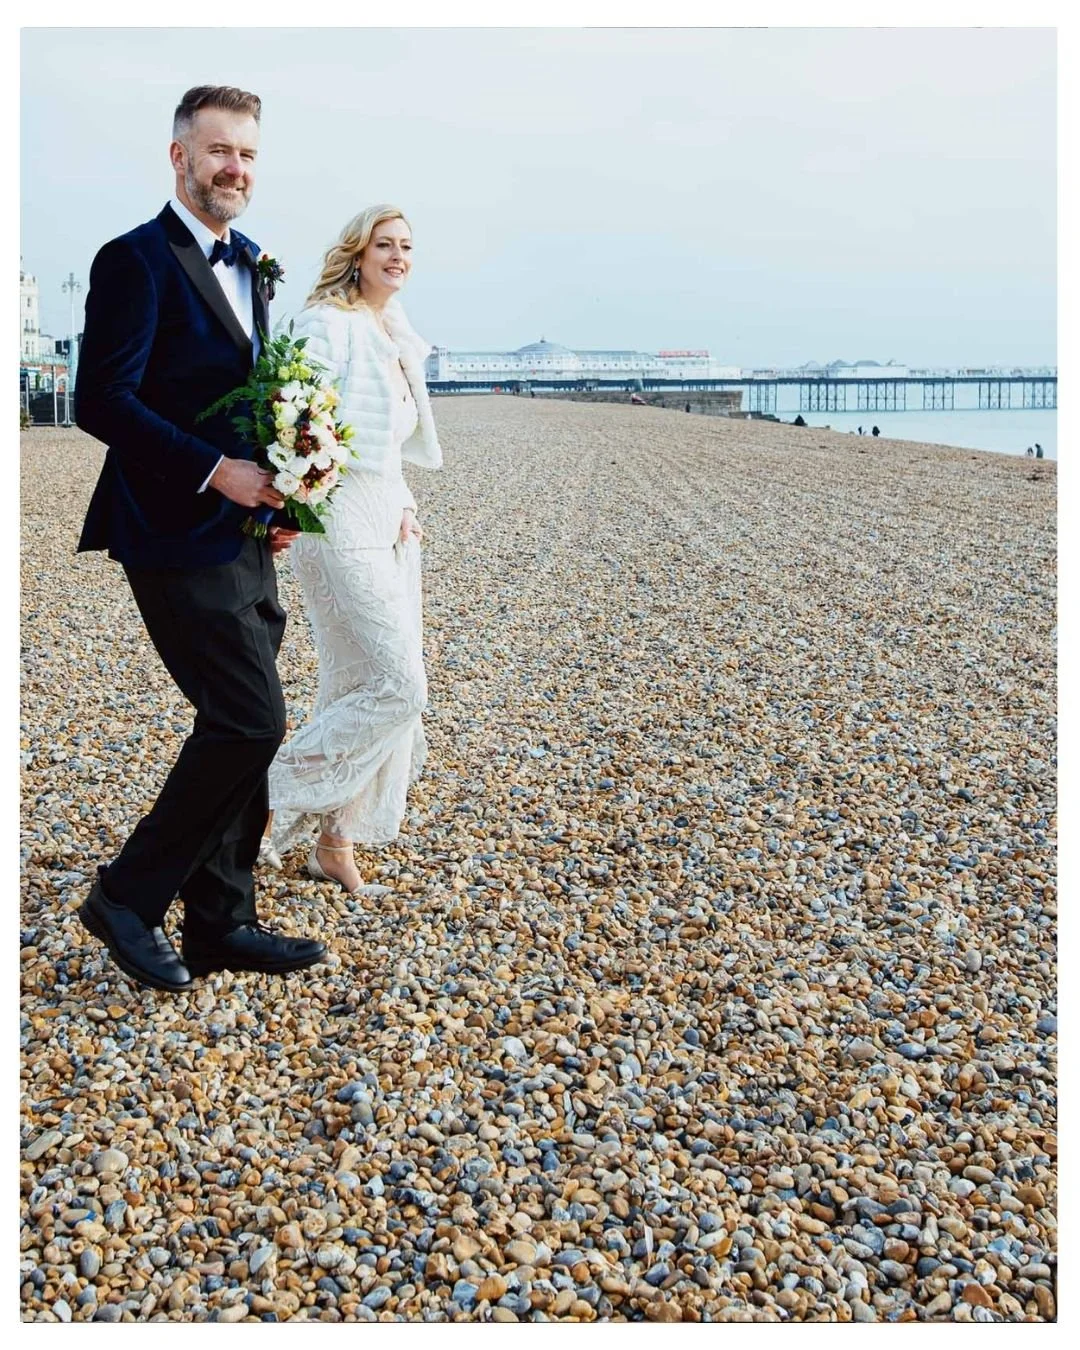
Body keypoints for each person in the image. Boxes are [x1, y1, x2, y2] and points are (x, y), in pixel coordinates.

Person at [73, 85, 326, 992]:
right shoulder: (133, 260)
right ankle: (128, 898)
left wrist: (279, 492)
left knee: (241, 724)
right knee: (251, 718)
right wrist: (216, 472)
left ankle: (224, 921)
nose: (235, 169)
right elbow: (99, 401)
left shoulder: (253, 262)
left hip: (245, 529)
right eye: (219, 151)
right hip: (168, 525)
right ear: (178, 157)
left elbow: (247, 398)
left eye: (249, 155)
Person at [263, 205, 443, 894]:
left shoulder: (393, 330)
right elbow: (293, 420)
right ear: (357, 253)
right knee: (402, 685)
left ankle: (335, 841)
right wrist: (302, 503)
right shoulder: (326, 323)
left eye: (406, 246)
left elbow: (390, 448)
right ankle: (261, 793)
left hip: (387, 519)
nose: (398, 256)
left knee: (352, 681)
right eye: (385, 245)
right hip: (333, 521)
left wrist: (404, 505)